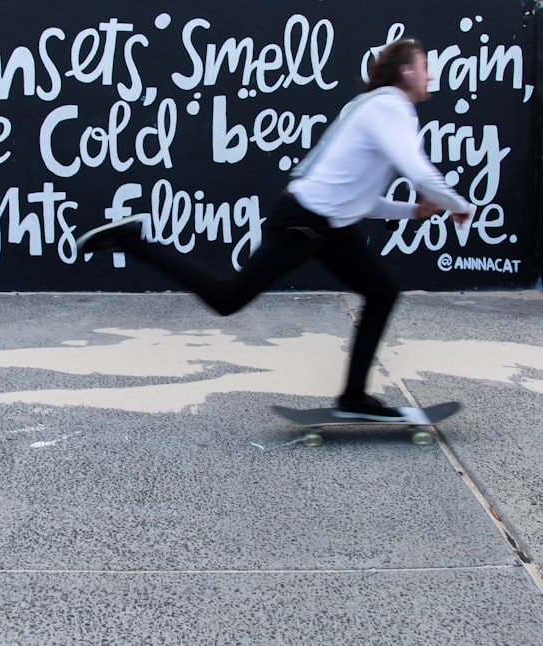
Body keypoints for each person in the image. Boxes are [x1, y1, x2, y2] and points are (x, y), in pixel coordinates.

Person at [75, 38, 473, 421]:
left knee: (382, 292)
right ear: (406, 71)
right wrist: (461, 206)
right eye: (424, 66)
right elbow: (420, 172)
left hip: (328, 225)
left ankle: (354, 397)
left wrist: (412, 212)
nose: (429, 75)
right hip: (303, 222)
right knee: (227, 298)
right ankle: (132, 242)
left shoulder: (371, 107)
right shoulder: (389, 107)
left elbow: (359, 199)